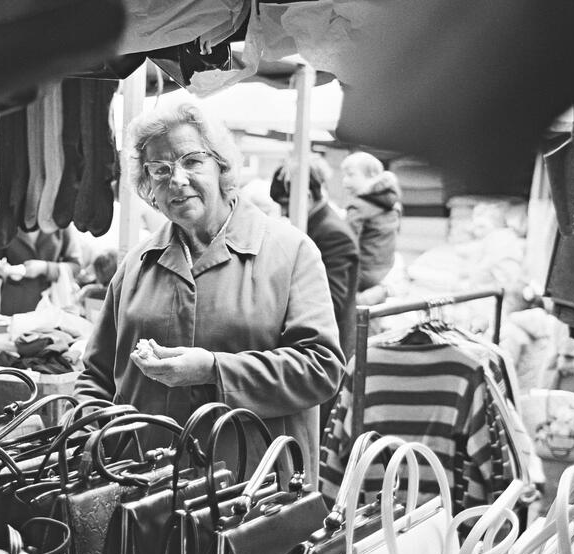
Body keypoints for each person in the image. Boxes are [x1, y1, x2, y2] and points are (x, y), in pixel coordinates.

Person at [75, 101, 345, 483]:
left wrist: (213, 369)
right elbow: (96, 376)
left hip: (253, 492)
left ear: (221, 167)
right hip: (144, 493)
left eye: (192, 161)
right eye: (160, 169)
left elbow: (321, 368)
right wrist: (94, 442)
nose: (177, 179)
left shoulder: (289, 251)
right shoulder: (136, 265)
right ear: (148, 186)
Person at [269, 158, 359, 358]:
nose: (283, 212)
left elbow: (330, 304)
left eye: (285, 204)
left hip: (322, 354)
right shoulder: (319, 227)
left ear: (306, 197)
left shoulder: (332, 234)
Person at [0, 224, 81, 316]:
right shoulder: (7, 222)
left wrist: (45, 268)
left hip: (50, 305)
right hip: (14, 304)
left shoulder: (61, 223)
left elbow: (76, 267)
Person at [340, 151, 402, 294]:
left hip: (363, 274)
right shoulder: (392, 203)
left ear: (372, 176)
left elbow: (345, 243)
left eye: (351, 175)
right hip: (385, 269)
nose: (345, 181)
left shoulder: (358, 206)